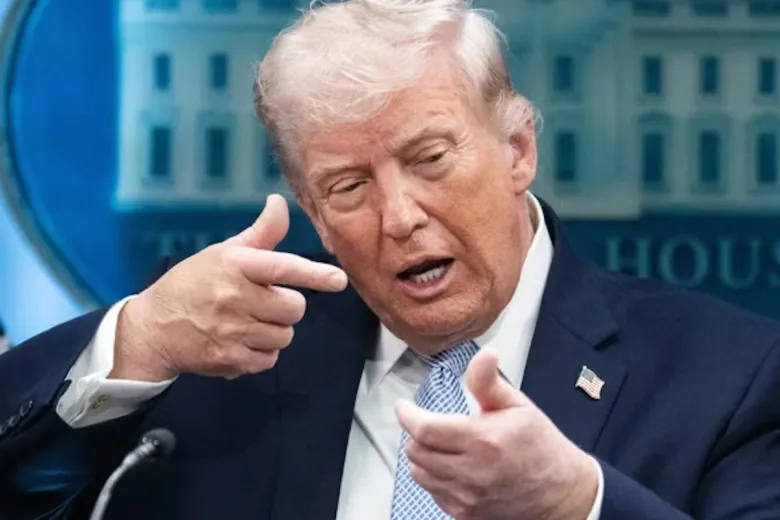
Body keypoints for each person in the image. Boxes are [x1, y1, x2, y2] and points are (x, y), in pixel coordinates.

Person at [1, 1, 779, 518]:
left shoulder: (730, 377)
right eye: (347, 186)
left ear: (517, 148)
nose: (399, 218)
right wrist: (136, 338)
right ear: (314, 215)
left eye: (431, 158)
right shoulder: (223, 376)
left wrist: (579, 501)